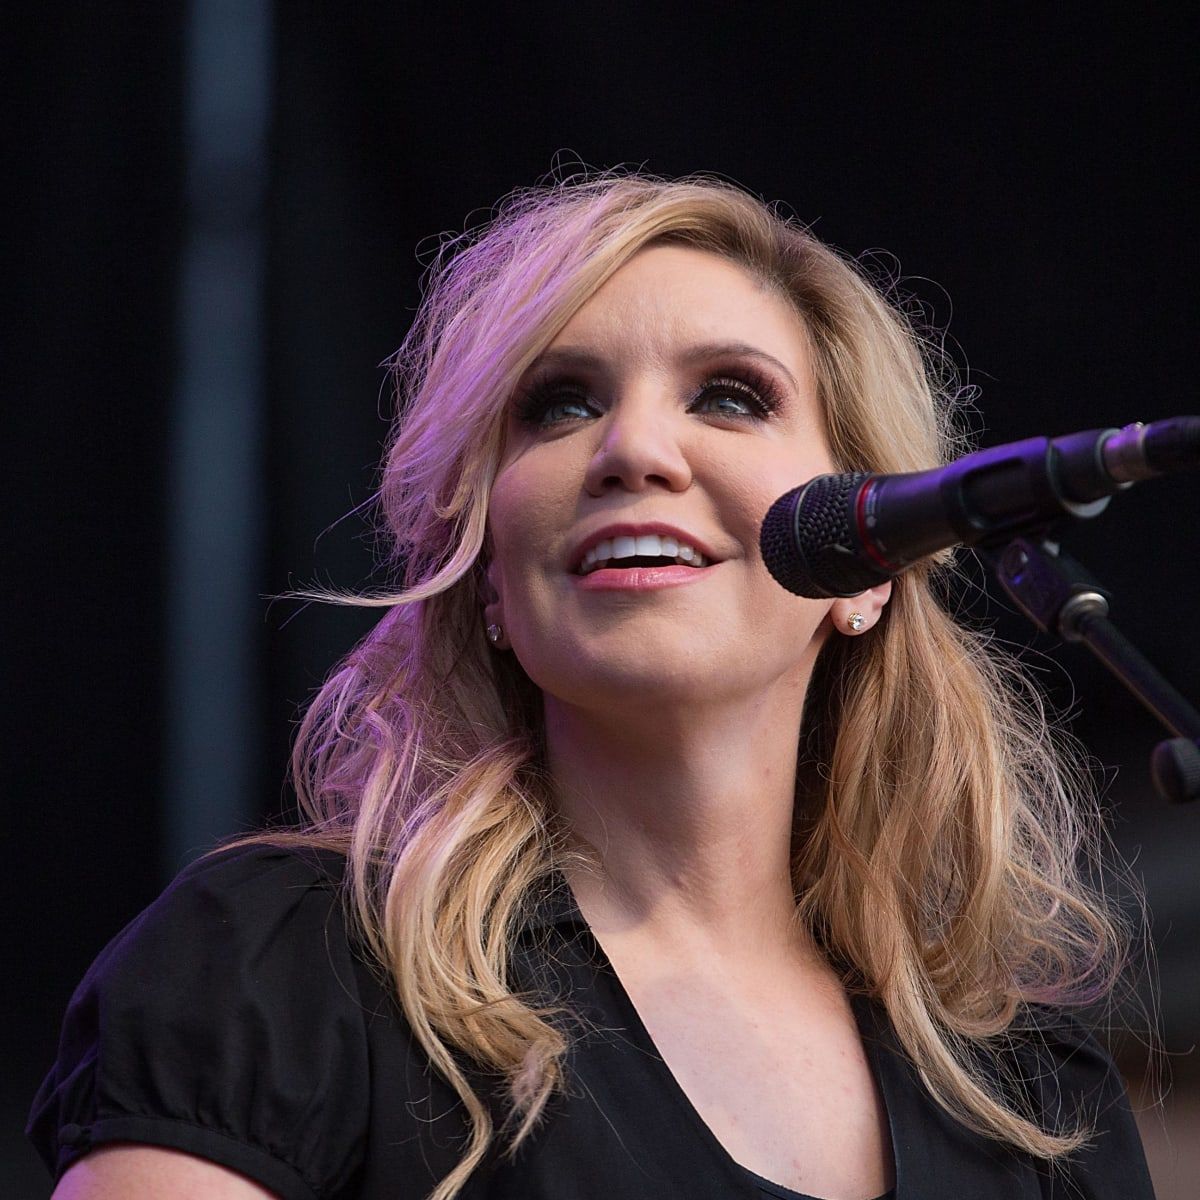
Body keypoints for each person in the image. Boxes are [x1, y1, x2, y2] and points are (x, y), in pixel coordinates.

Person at [29, 174, 1155, 1200]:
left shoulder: (1034, 1105)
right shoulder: (287, 971)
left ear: (868, 570)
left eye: (729, 396)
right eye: (560, 404)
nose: (633, 449)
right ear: (485, 581)